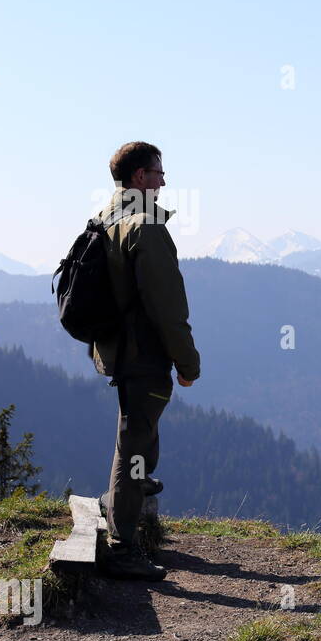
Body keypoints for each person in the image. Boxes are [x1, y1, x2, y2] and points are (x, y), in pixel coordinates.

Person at [90, 142, 200, 581]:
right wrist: (187, 363)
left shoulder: (106, 217)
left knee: (137, 427)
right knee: (133, 441)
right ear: (139, 177)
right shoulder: (146, 227)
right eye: (158, 172)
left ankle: (131, 489)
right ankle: (122, 546)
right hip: (143, 352)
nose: (163, 180)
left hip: (116, 348)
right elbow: (167, 307)